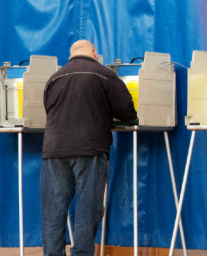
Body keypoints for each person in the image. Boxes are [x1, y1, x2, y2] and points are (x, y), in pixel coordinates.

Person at [41, 40, 137, 256]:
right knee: (87, 209)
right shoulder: (104, 74)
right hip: (90, 149)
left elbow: (48, 109)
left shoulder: (53, 78)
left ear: (70, 56)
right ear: (94, 52)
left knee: (53, 212)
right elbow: (126, 111)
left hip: (54, 150)